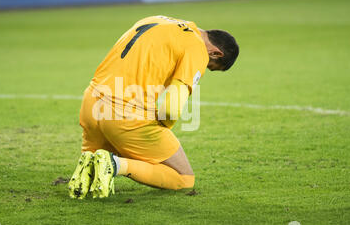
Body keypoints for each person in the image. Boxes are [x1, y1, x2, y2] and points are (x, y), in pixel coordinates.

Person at [68, 15, 239, 199]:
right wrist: (161, 128)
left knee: (93, 159)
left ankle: (84, 179)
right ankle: (115, 165)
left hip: (91, 104)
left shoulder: (155, 20)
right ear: (215, 54)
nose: (205, 69)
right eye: (210, 67)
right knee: (184, 178)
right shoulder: (196, 47)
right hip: (125, 115)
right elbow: (170, 109)